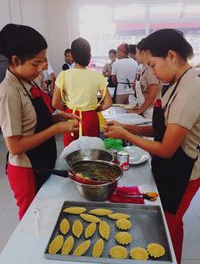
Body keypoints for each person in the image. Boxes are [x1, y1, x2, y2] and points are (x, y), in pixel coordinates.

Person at [104, 29, 200, 264]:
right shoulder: (176, 82)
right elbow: (162, 128)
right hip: (170, 168)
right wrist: (129, 128)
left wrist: (126, 133)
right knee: (174, 228)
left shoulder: (190, 89)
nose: (153, 72)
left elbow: (167, 148)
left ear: (171, 56)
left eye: (153, 65)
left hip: (183, 173)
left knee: (161, 232)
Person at [0, 23, 79, 220]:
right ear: (16, 60)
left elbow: (33, 123)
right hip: (26, 169)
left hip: (42, 159)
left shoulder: (30, 80)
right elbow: (15, 145)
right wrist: (56, 128)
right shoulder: (8, 91)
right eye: (36, 63)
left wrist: (57, 117)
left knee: (45, 212)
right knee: (31, 219)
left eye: (43, 62)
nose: (41, 68)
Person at [52, 37, 112, 146]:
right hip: (91, 117)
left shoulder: (64, 75)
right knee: (92, 149)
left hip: (72, 116)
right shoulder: (97, 76)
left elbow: (55, 103)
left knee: (71, 151)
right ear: (89, 55)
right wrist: (95, 108)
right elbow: (108, 103)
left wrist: (67, 109)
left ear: (73, 55)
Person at [130, 40, 161, 118]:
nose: (135, 55)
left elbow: (153, 93)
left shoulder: (150, 68)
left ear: (143, 52)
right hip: (145, 109)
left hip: (151, 111)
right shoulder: (143, 68)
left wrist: (140, 110)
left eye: (136, 52)